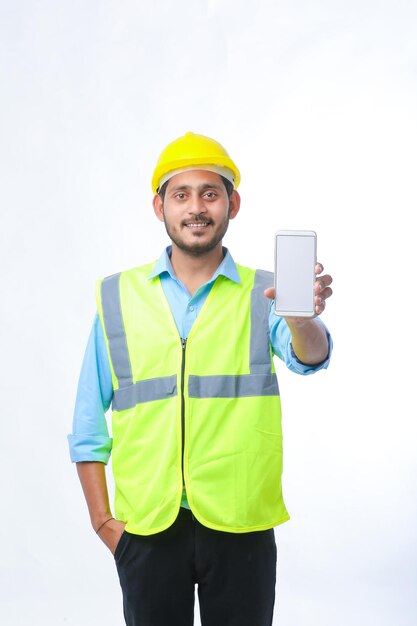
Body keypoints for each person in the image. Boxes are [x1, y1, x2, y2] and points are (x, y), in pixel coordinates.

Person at [68, 132, 333, 626]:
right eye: (181, 194)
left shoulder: (265, 293)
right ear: (159, 206)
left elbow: (311, 358)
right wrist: (103, 522)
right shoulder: (117, 297)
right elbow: (87, 424)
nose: (196, 207)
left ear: (233, 204)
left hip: (242, 524)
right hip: (147, 526)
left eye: (210, 194)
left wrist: (301, 318)